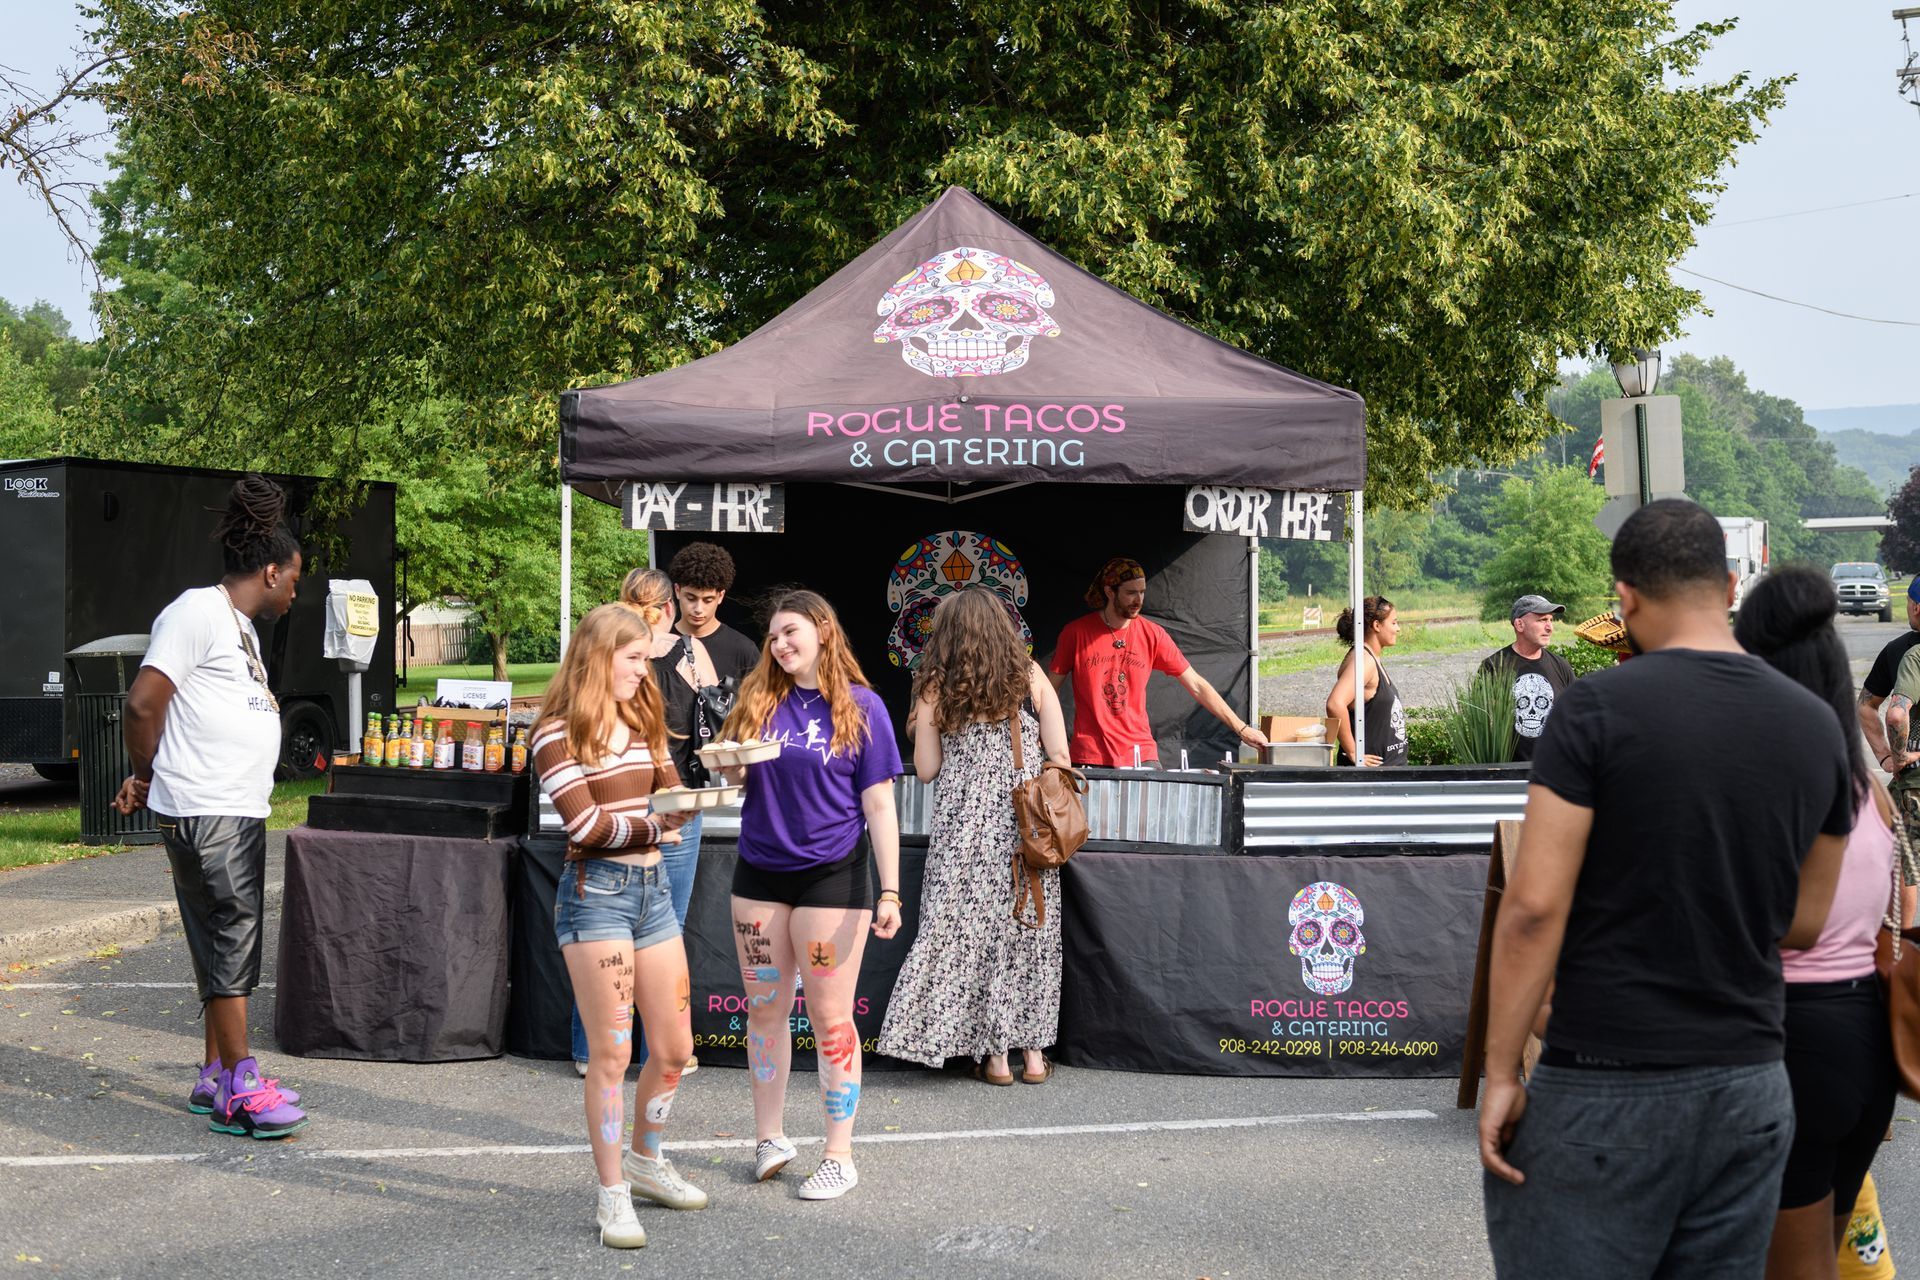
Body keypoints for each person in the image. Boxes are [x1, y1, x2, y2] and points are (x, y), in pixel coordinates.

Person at [1479, 499, 1853, 1280]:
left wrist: (1503, 1072)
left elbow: (1534, 908)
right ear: (1729, 586)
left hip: (1607, 1080)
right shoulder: (1816, 724)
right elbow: (1805, 921)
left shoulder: (1594, 709)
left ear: (1625, 598)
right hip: (1749, 1081)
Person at [114, 475, 309, 1139]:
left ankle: (214, 1073)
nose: (295, 592)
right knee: (232, 935)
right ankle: (243, 1089)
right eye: (294, 579)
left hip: (231, 806)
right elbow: (142, 703)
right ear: (272, 571)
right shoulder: (197, 612)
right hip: (207, 807)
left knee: (218, 938)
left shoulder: (237, 626)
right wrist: (146, 775)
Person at [1737, 566, 1903, 1280]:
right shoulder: (1869, 792)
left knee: (1792, 1268)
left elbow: (1777, 924)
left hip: (1789, 1036)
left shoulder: (1775, 786)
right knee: (1821, 1260)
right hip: (1865, 1038)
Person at [717, 589, 904, 1201]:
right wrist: (729, 764)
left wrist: (891, 891)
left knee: (829, 1017)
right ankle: (769, 1139)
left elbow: (879, 805)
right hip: (759, 875)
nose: (779, 645)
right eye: (773, 637)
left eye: (790, 632)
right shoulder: (758, 698)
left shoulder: (863, 706)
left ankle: (838, 1155)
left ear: (823, 630)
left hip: (832, 879)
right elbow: (735, 779)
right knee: (765, 1010)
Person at [534, 604, 708, 1249]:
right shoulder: (555, 733)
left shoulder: (641, 716)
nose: (644, 669)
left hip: (653, 894)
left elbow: (672, 797)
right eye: (634, 658)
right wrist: (656, 824)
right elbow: (586, 827)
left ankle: (645, 1161)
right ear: (599, 656)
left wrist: (689, 805)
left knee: (675, 1049)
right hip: (596, 898)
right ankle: (612, 1195)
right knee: (611, 1054)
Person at [878, 587, 1073, 1085]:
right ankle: (1033, 1056)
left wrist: (921, 723)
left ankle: (995, 1057)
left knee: (966, 935)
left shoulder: (936, 686)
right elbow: (1060, 755)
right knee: (1026, 934)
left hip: (962, 833)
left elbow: (926, 769)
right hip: (1025, 832)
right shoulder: (1029, 676)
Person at [565, 570, 718, 1078]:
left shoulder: (609, 652)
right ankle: (654, 1054)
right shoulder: (688, 653)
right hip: (668, 804)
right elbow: (719, 712)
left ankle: (596, 1051)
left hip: (624, 801)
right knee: (660, 930)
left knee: (606, 933)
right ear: (670, 607)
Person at [1048, 556, 1268, 767]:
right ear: (1109, 591)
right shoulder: (1076, 633)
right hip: (1090, 755)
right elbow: (1049, 691)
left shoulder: (1152, 634)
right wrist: (1046, 739)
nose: (1138, 600)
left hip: (1141, 754)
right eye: (1131, 593)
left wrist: (1241, 729)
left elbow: (1197, 685)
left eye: (1142, 592)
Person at [1478, 595, 1576, 761]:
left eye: (1551, 620)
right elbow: (1482, 723)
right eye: (1542, 620)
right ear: (1519, 625)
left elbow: (1576, 717)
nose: (1549, 627)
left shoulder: (1561, 666)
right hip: (1510, 771)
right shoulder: (1493, 666)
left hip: (1555, 768)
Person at [1325, 596, 1407, 766]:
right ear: (1377, 625)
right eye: (1393, 623)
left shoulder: (1370, 657)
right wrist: (1353, 752)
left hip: (1387, 773)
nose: (1398, 628)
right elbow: (1335, 704)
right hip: (1371, 775)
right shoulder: (1364, 660)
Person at [668, 541, 761, 683]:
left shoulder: (744, 651)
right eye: (691, 598)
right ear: (677, 591)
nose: (698, 609)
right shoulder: (660, 643)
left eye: (708, 600)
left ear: (721, 596)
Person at [1856, 577, 1920, 776]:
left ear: (1916, 607)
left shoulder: (1904, 653)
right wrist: (1885, 757)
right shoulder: (1897, 650)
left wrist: (1893, 757)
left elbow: (1888, 713)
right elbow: (1867, 706)